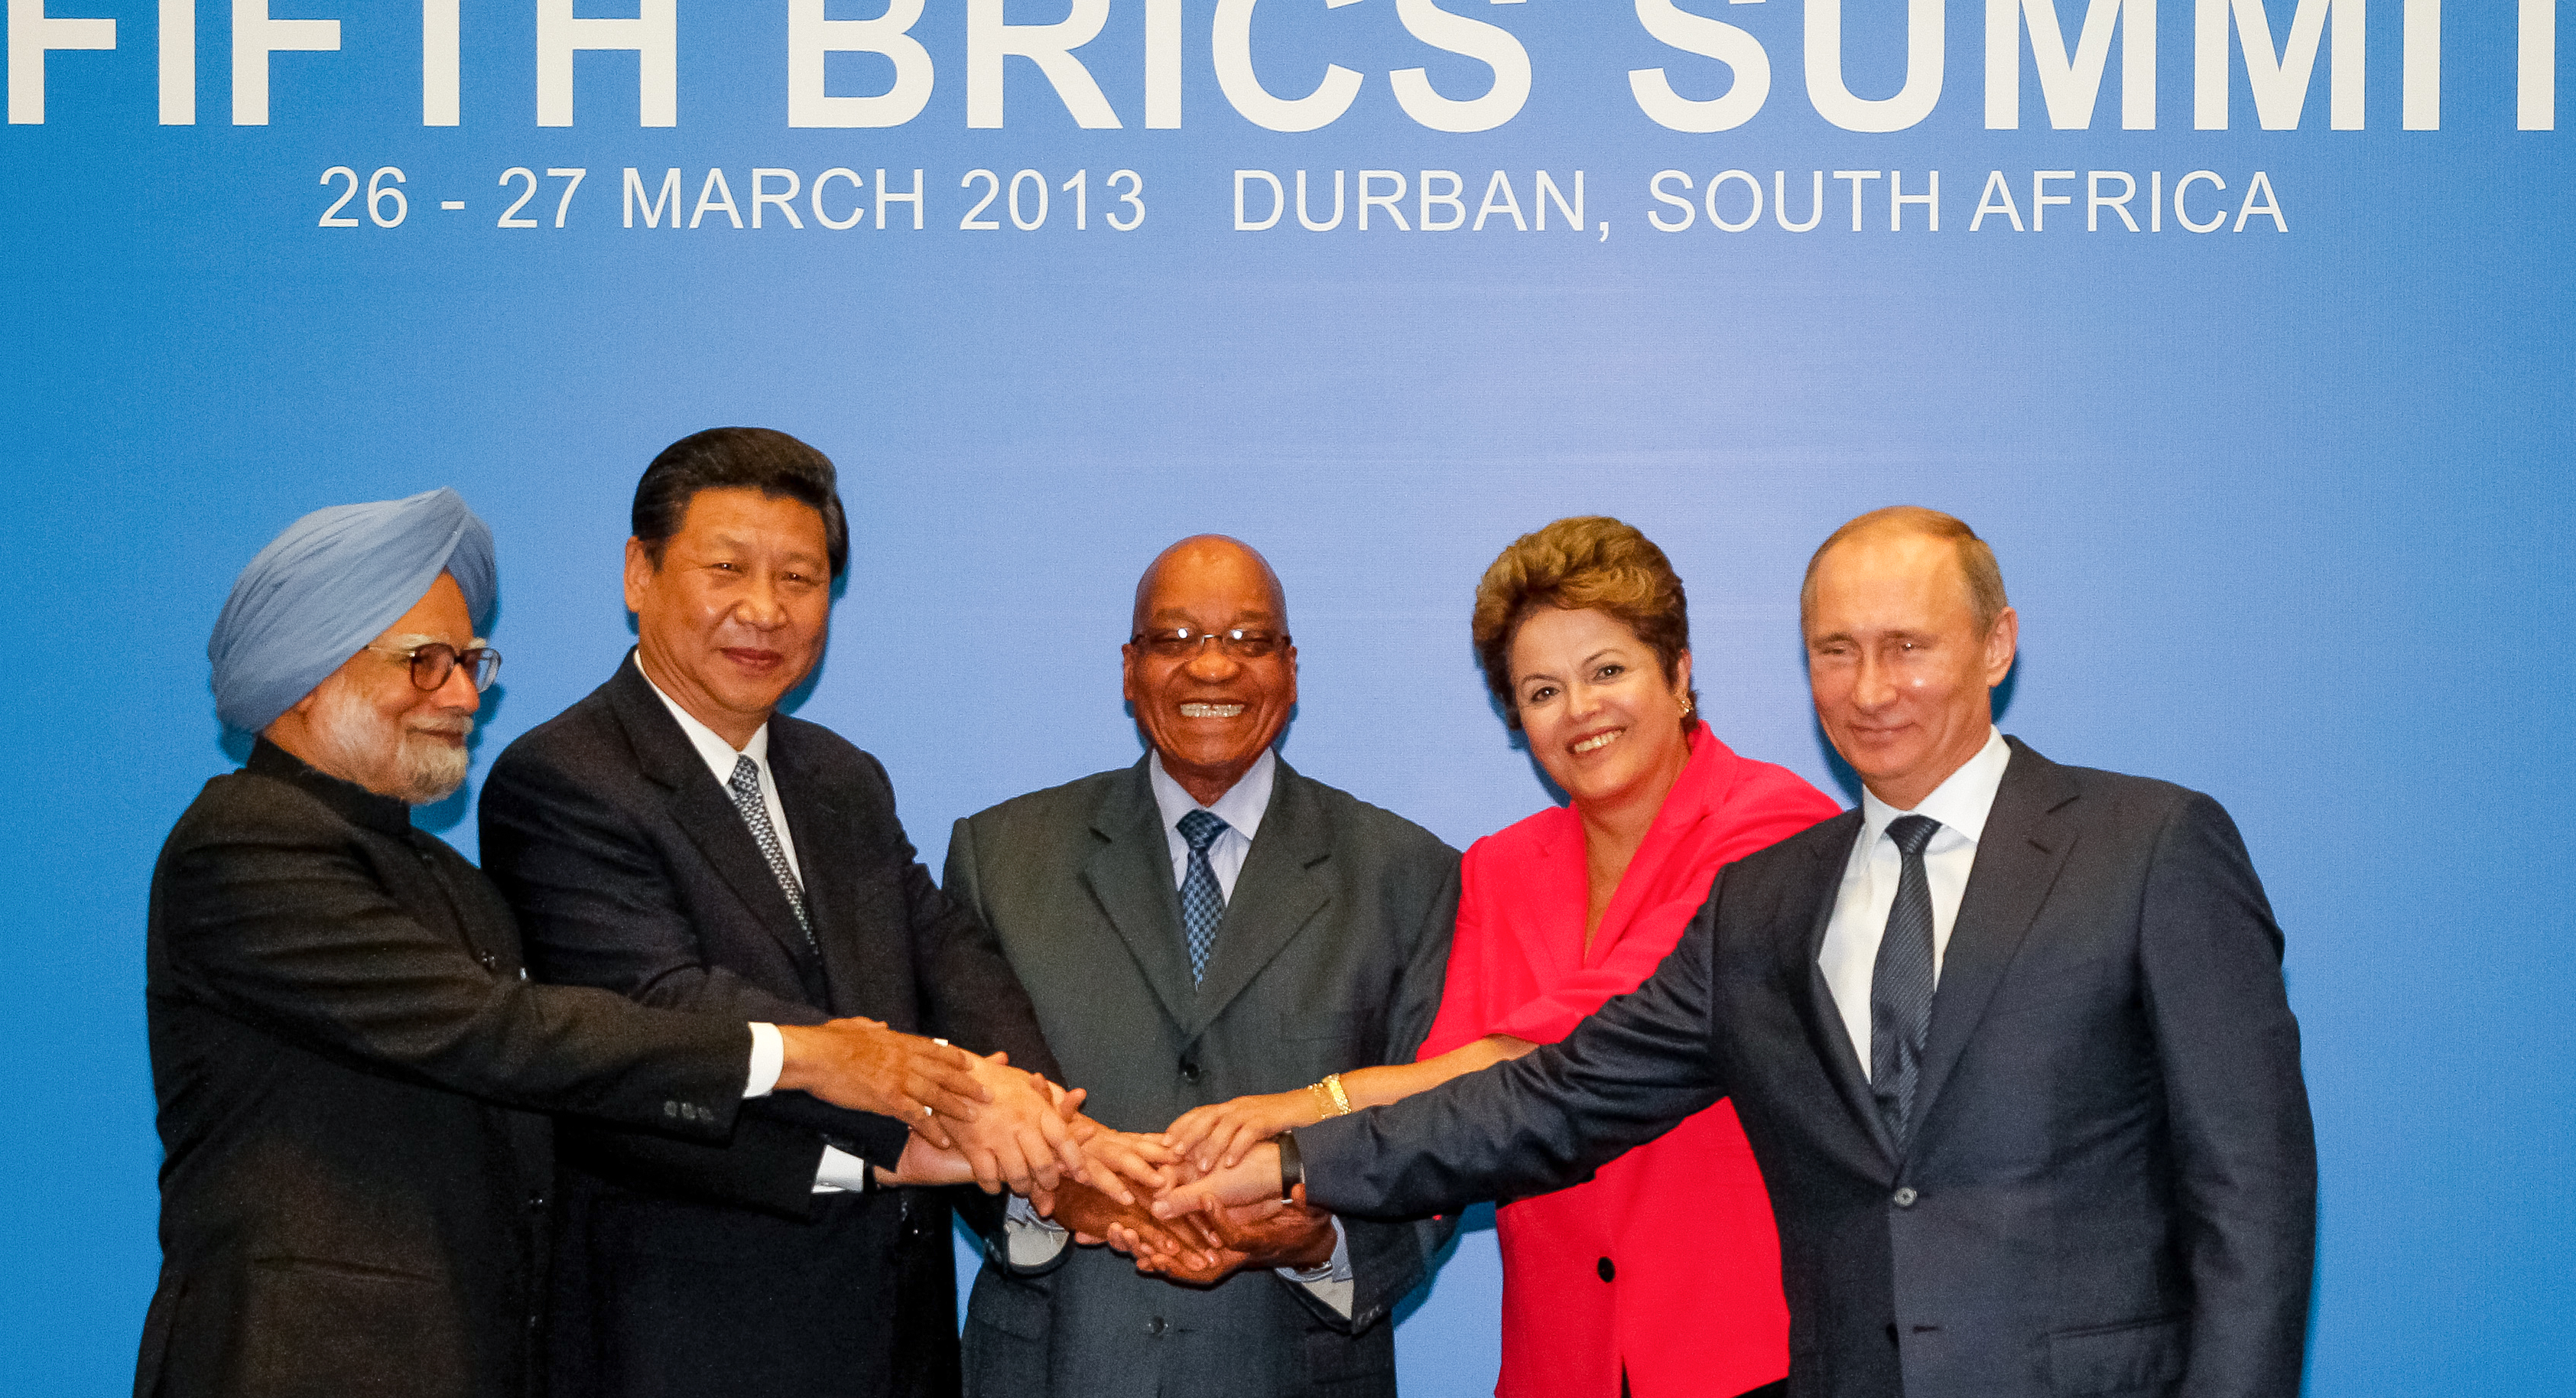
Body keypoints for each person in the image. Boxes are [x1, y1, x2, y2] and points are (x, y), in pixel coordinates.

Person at [1161, 507, 2320, 1398]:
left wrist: (1302, 1111)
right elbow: (1551, 1097)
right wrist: (1293, 1164)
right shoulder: (1770, 902)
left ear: (1995, 643)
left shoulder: (2151, 843)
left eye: (1905, 645)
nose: (1870, 689)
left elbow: (2250, 1193)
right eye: (1834, 651)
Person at [140, 488, 999, 1398]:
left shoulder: (445, 879)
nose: (465, 695)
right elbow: (500, 1032)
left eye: (470, 660)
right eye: (423, 663)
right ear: (305, 672)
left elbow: (578, 1100)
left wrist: (872, 1160)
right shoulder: (244, 842)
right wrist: (805, 1055)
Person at [479, 429, 1167, 1398]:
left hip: (891, 1336)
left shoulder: (840, 778)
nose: (764, 610)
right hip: (687, 1339)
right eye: (727, 568)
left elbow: (946, 958)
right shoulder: (563, 780)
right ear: (640, 573)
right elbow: (668, 1006)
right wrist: (963, 1114)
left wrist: (1049, 1124)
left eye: (799, 578)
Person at [1163, 517, 1837, 1398]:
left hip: (1746, 1356)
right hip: (1555, 1367)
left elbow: (1550, 1061)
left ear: (1677, 675)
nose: (1580, 711)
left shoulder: (1774, 830)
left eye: (1607, 670)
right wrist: (1300, 1220)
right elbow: (1449, 1095)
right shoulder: (1498, 868)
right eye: (1541, 690)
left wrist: (1291, 1122)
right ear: (1516, 718)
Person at [944, 535, 1463, 1398]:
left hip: (1294, 1366)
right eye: (1175, 639)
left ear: (1290, 669)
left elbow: (1442, 1129)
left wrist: (1321, 1241)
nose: (1211, 669)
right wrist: (1052, 1200)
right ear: (1128, 667)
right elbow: (954, 1104)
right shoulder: (1000, 857)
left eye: (1247, 640)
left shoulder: (1407, 874)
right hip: (1050, 1363)